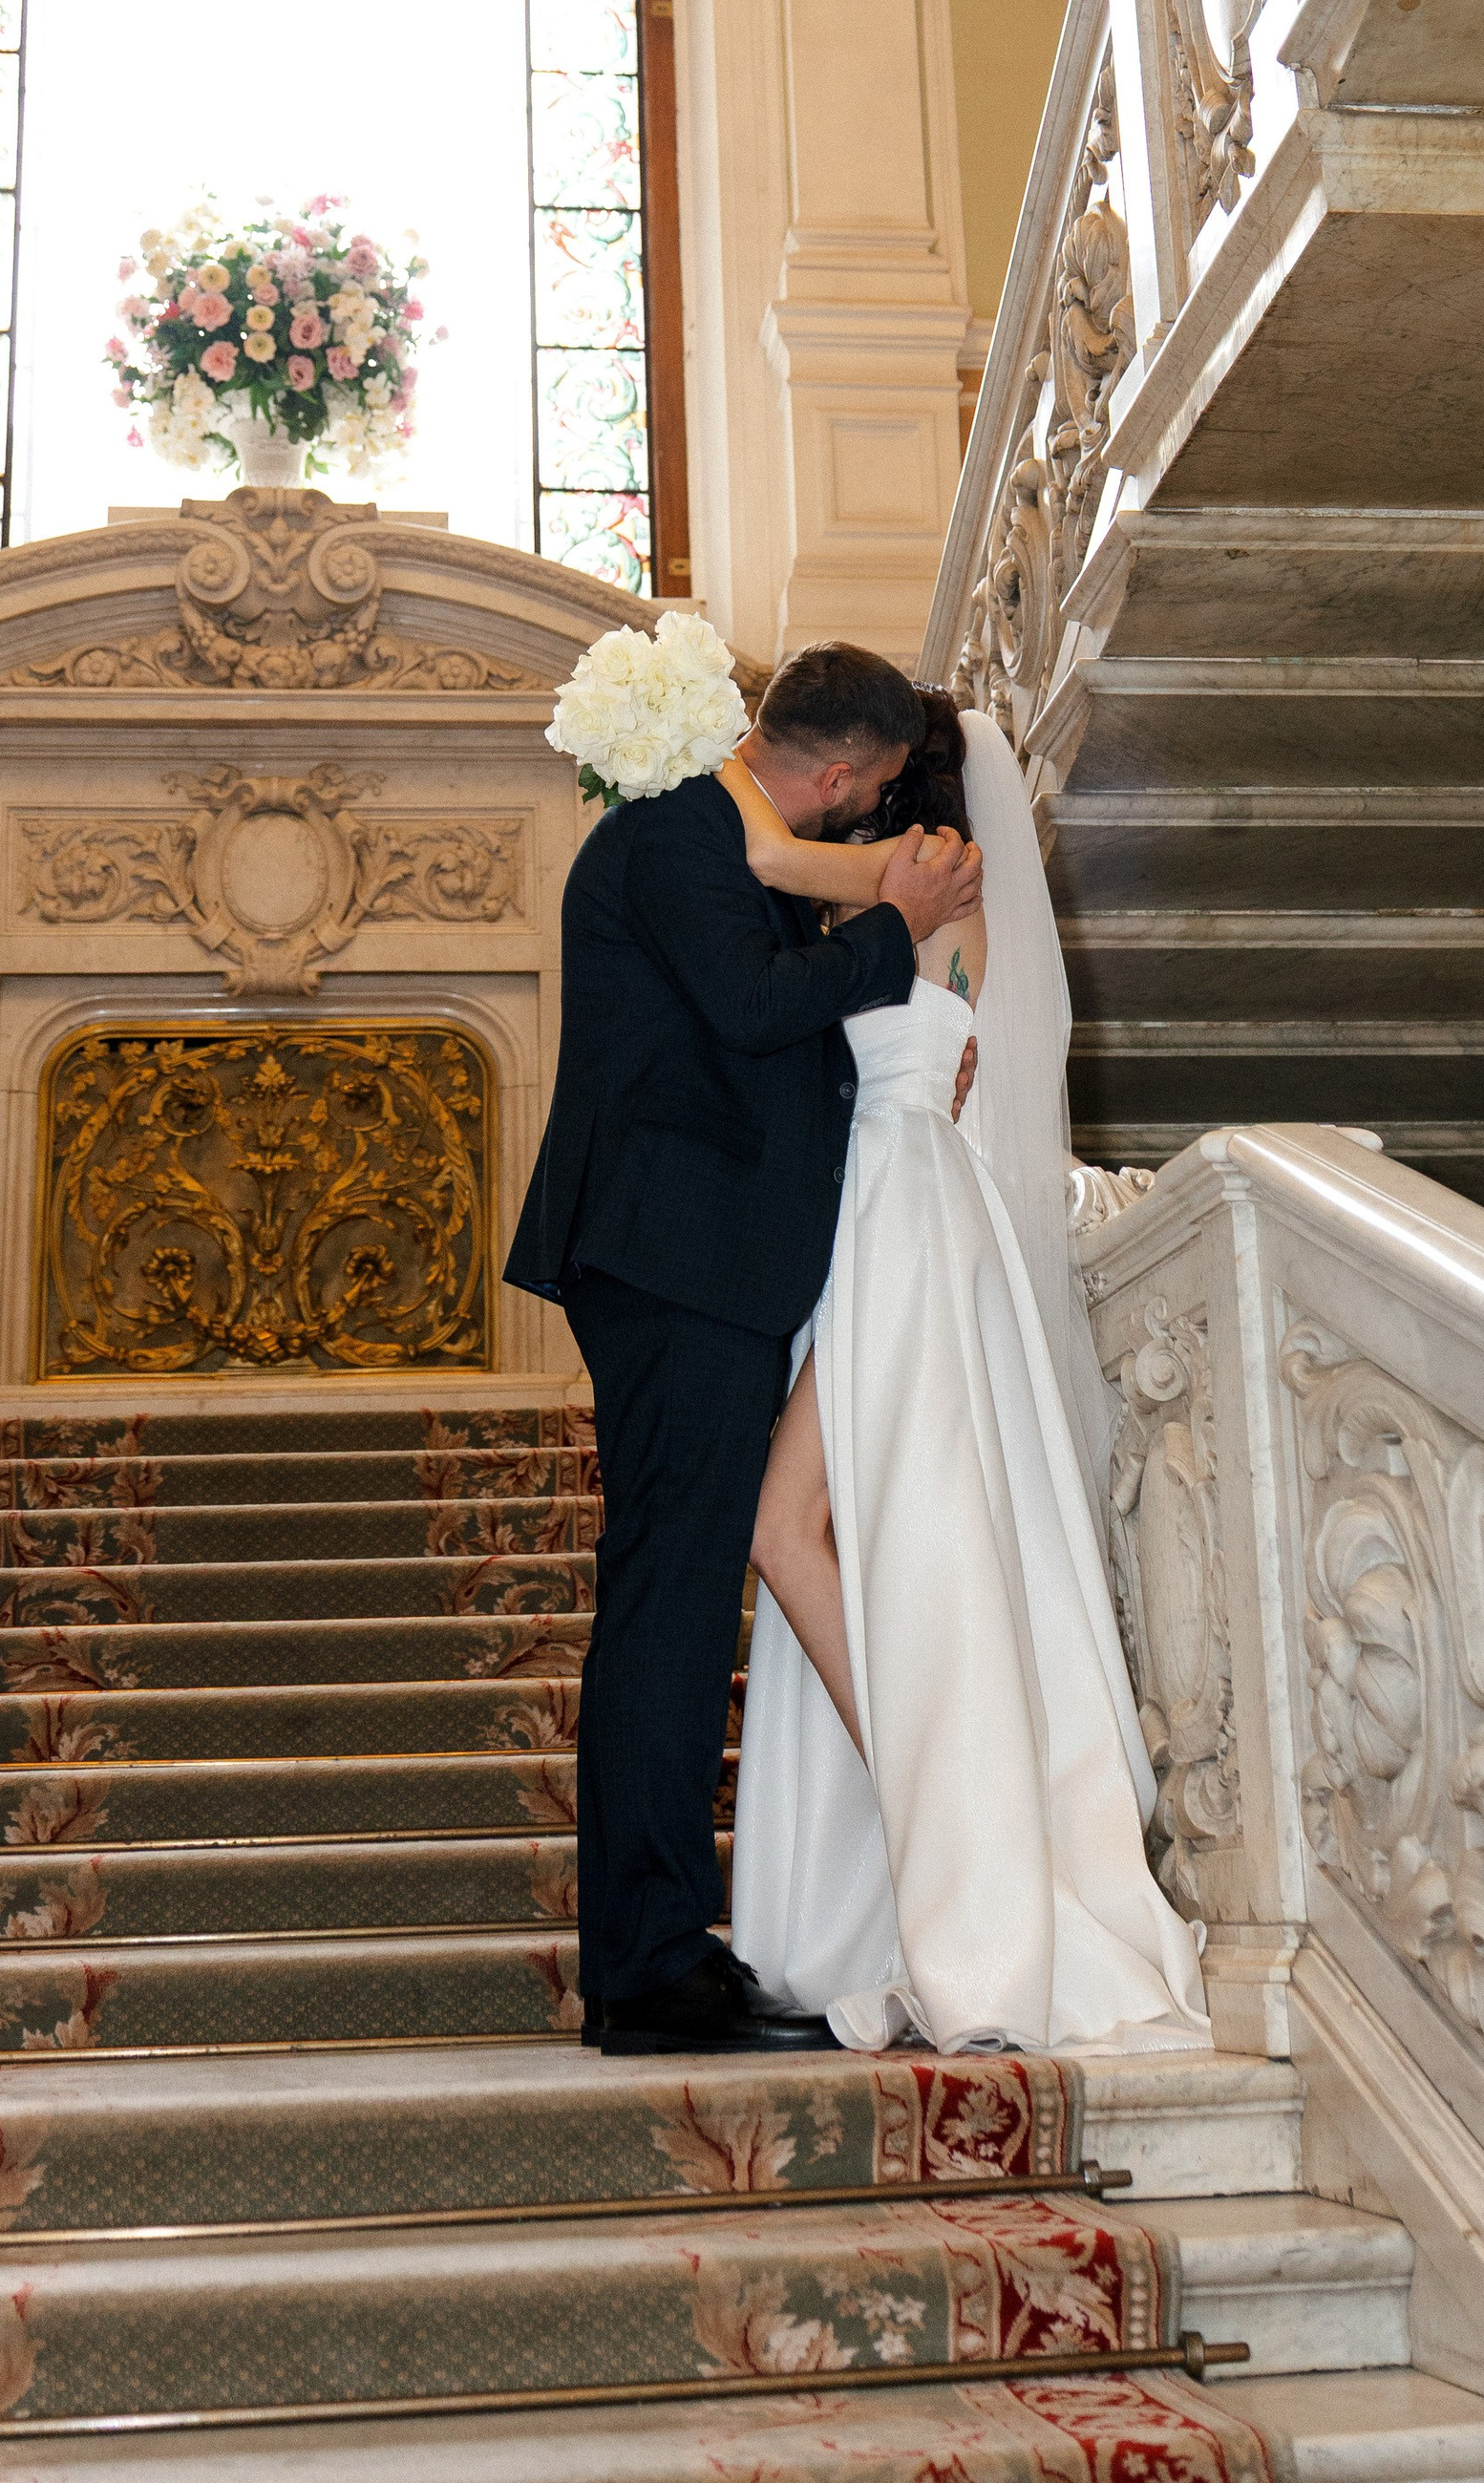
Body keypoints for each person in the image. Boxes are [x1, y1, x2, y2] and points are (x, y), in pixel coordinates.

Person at [503, 640, 982, 2058]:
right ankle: (646, 1968)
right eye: (870, 792)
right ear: (841, 771)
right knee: (668, 1600)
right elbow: (754, 1008)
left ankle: (659, 1947)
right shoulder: (672, 836)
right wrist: (894, 928)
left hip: (702, 1261)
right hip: (674, 1262)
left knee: (682, 1590)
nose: (861, 815)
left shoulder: (722, 835)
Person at [724, 695, 1210, 2055]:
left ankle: (967, 1837)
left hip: (902, 1217)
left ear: (891, 778)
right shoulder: (924, 890)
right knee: (884, 1539)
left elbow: (757, 850)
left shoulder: (925, 874)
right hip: (889, 1217)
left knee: (796, 1525)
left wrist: (711, 757)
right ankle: (948, 1833)